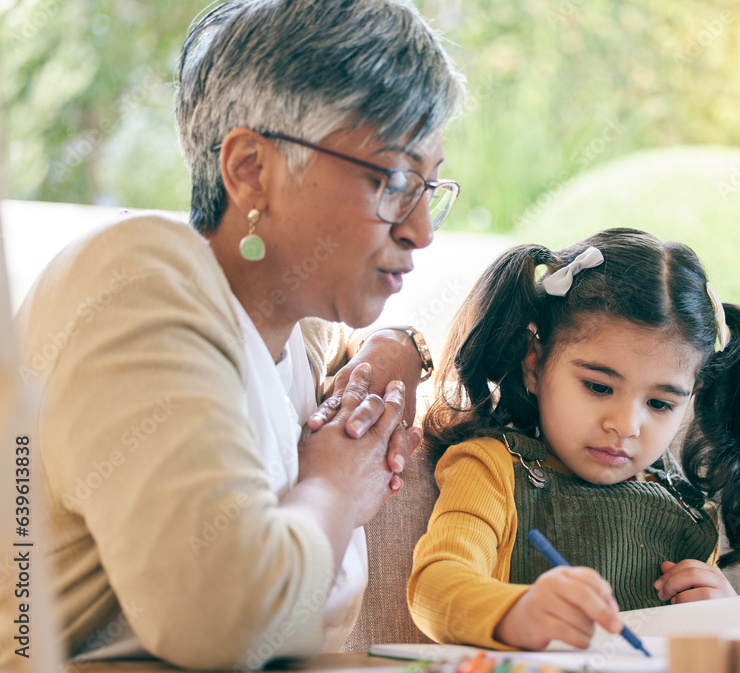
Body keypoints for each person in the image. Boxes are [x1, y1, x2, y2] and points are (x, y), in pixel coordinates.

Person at [0, 0, 463, 669]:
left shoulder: (287, 328)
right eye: (392, 180)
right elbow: (224, 623)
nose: (422, 229)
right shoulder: (136, 284)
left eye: (430, 185)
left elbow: (294, 368)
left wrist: (397, 347)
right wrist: (335, 487)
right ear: (251, 169)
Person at [407, 228, 740, 651]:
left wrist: (724, 621)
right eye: (598, 387)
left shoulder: (686, 507)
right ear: (534, 365)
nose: (626, 425)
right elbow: (436, 585)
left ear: (692, 397)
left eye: (661, 403)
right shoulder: (491, 469)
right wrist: (516, 612)